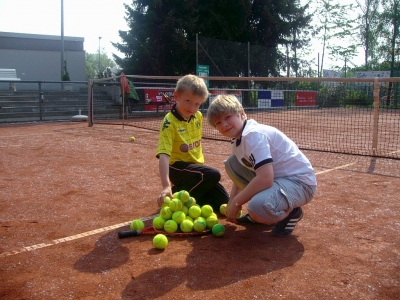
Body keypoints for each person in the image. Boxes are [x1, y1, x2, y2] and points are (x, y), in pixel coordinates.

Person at [206, 94, 317, 236]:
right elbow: (240, 175)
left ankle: (292, 212)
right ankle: (266, 206)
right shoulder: (237, 141)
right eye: (218, 123)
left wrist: (237, 202)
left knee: (257, 208)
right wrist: (231, 200)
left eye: (228, 117)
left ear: (242, 114)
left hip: (300, 183)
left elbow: (265, 178)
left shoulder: (253, 135)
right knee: (232, 163)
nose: (224, 124)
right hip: (279, 180)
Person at [156, 75, 229, 211]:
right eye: (188, 101)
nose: (192, 108)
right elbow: (164, 155)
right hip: (177, 168)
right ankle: (177, 198)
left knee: (224, 203)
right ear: (176, 96)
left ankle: (180, 191)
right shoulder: (169, 123)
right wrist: (165, 185)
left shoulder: (198, 116)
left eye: (197, 104)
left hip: (195, 169)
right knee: (213, 174)